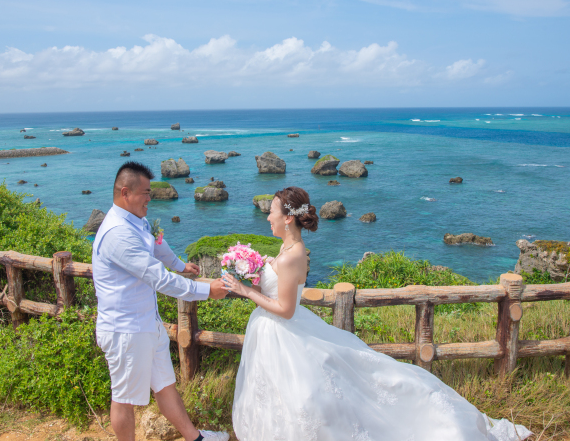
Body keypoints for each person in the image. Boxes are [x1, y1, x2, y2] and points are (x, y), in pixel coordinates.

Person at [221, 186, 533, 441]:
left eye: (271, 213)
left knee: (309, 395)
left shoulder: (293, 255)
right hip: (272, 333)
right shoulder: (286, 249)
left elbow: (287, 310)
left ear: (288, 218)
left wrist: (245, 290)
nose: (267, 218)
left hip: (285, 330)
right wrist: (254, 269)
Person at [93, 161, 230, 441]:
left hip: (147, 323)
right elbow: (159, 279)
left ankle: (196, 438)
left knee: (166, 385)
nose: (150, 198)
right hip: (126, 330)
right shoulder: (118, 233)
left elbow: (156, 245)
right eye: (145, 192)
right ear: (125, 192)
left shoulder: (136, 220)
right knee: (123, 398)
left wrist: (180, 265)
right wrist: (207, 291)